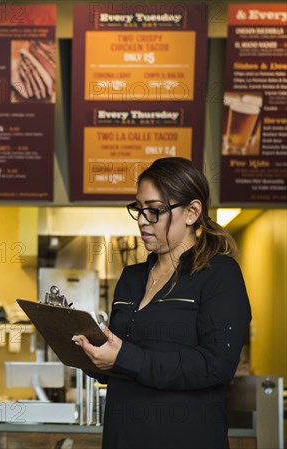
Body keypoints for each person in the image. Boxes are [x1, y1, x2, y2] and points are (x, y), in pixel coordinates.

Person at [72, 157, 252, 449]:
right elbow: (118, 366)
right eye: (138, 209)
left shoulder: (219, 274)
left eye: (154, 211)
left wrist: (123, 357)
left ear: (192, 212)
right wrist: (85, 348)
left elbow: (215, 364)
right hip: (123, 437)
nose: (143, 220)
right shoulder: (131, 277)